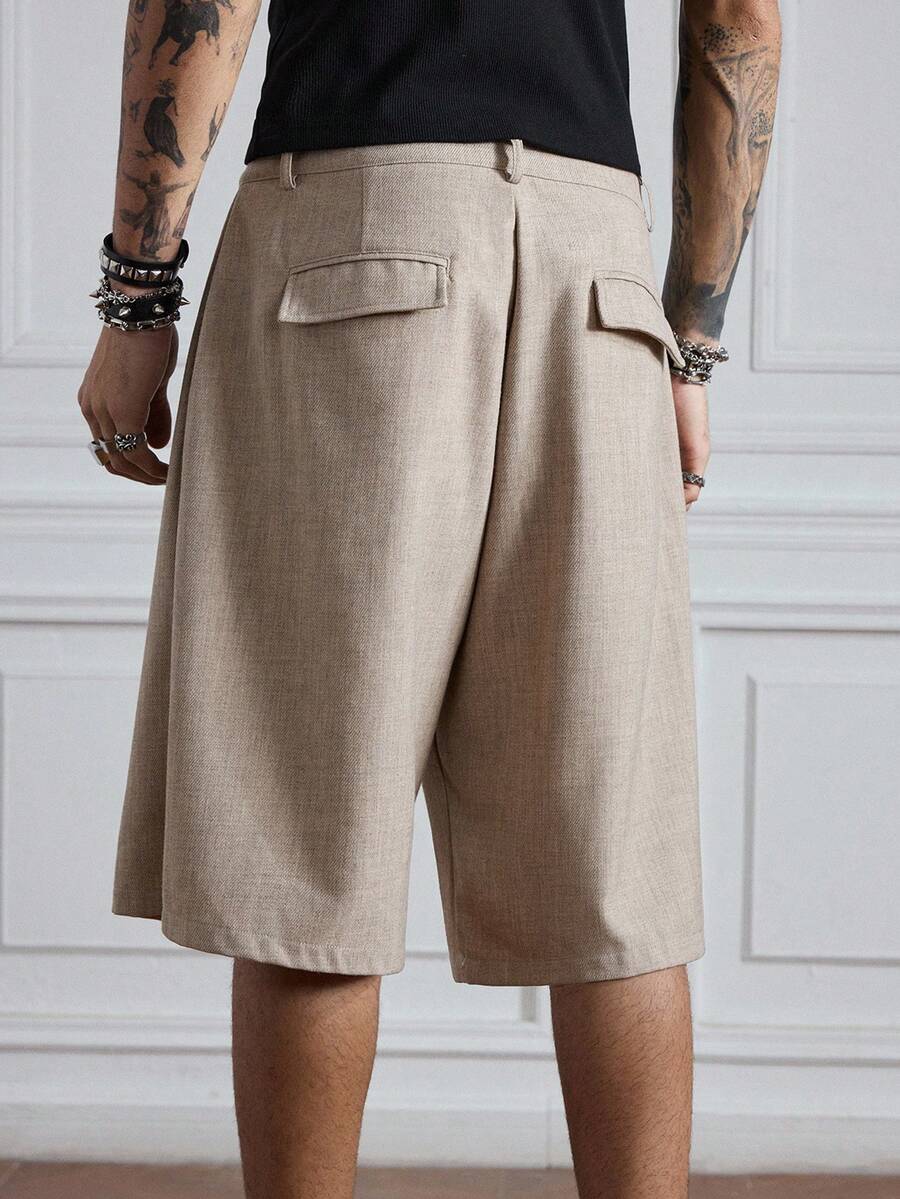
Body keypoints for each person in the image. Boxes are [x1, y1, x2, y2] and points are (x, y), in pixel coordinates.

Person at [80, 2, 781, 1195]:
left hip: (352, 223)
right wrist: (689, 339)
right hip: (597, 265)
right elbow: (741, 18)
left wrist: (138, 293)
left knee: (311, 852)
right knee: (615, 869)